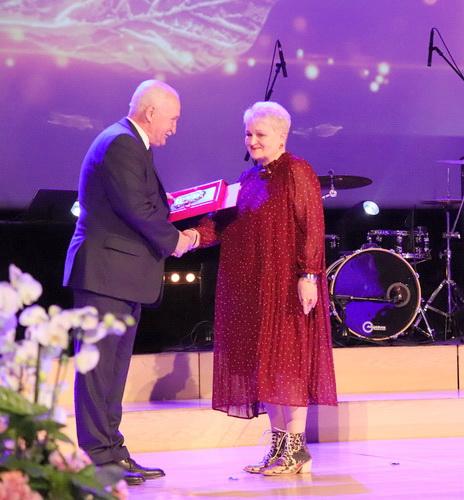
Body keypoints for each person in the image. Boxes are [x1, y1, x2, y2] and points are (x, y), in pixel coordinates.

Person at [63, 80, 198, 485]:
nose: (174, 128)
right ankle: (97, 457)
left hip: (119, 277)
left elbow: (144, 202)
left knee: (112, 372)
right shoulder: (121, 142)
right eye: (172, 119)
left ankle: (112, 452)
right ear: (151, 112)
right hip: (105, 276)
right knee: (98, 372)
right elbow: (136, 207)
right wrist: (176, 240)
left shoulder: (131, 143)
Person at [193, 101, 337, 475]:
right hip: (255, 286)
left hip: (287, 283)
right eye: (248, 133)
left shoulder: (297, 170)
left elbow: (311, 225)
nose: (252, 140)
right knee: (267, 367)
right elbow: (221, 224)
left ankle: (297, 449)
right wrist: (190, 236)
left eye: (260, 134)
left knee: (289, 364)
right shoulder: (249, 179)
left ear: (281, 136)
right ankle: (278, 448)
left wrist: (309, 275)